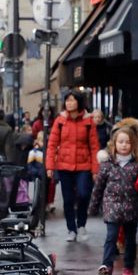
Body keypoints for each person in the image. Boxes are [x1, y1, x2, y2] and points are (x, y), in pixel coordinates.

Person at [90, 127, 138, 275]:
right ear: (114, 144)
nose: (124, 145)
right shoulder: (107, 165)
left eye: (127, 142)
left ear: (133, 145)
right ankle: (107, 266)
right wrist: (93, 206)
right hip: (112, 205)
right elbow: (99, 187)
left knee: (130, 239)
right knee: (111, 236)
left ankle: (129, 267)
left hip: (131, 207)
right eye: (120, 142)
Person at [46, 91, 102, 241]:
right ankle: (71, 229)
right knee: (68, 199)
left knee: (84, 194)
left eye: (72, 100)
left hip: (84, 165)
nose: (69, 103)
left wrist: (95, 169)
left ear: (79, 102)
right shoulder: (60, 121)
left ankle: (81, 224)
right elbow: (52, 145)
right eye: (67, 100)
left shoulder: (88, 121)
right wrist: (50, 166)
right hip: (64, 166)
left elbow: (94, 146)